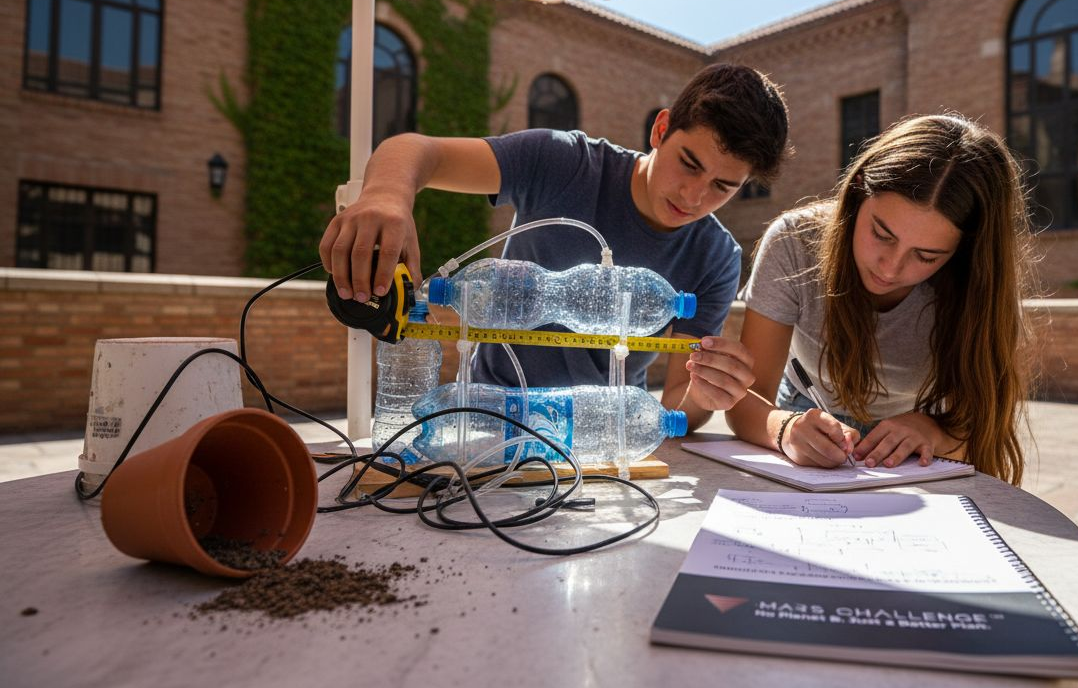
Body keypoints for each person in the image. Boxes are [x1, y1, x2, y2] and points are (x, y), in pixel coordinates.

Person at [320, 63, 791, 431]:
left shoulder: (716, 257)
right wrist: (386, 195)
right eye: (689, 164)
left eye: (723, 187)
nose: (694, 196)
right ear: (661, 130)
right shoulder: (564, 162)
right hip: (489, 417)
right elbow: (417, 150)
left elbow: (678, 402)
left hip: (596, 435)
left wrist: (704, 399)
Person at [725, 114, 1037, 485]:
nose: (890, 269)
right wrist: (784, 428)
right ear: (857, 191)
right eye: (881, 234)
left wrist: (937, 433)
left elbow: (982, 430)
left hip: (924, 433)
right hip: (805, 411)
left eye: (926, 256)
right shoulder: (794, 242)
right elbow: (746, 398)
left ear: (963, 252)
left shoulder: (976, 281)